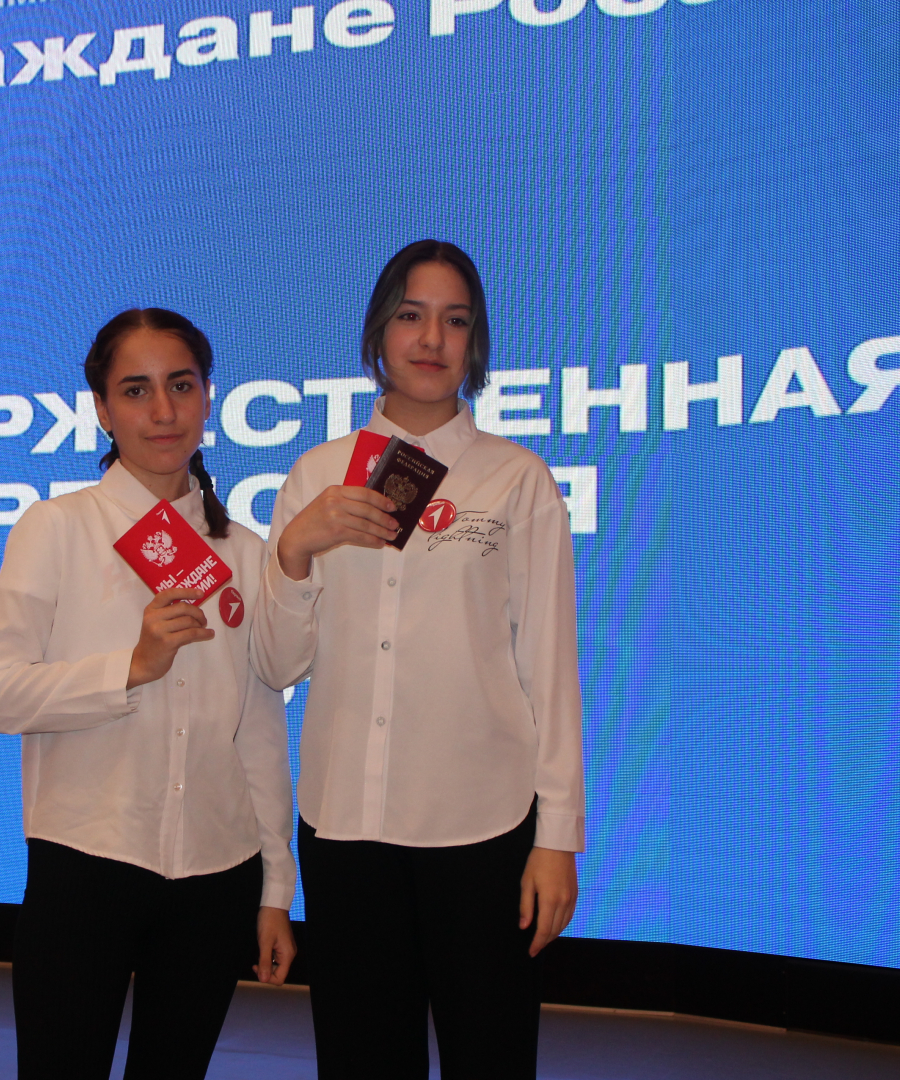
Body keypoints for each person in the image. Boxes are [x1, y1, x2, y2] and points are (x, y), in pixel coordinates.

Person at [252, 240, 586, 1079]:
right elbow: (279, 664)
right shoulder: (317, 475)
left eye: (455, 320)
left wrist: (557, 838)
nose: (432, 338)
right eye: (411, 315)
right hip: (346, 828)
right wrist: (294, 551)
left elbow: (549, 667)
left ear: (476, 342)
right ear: (378, 334)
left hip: (483, 827)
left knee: (490, 1057)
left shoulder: (517, 479)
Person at [0, 308, 297, 1080]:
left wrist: (275, 887)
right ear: (102, 409)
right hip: (87, 863)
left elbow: (258, 729)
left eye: (181, 385)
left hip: (218, 873)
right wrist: (131, 667)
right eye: (136, 390)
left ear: (209, 397)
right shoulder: (57, 528)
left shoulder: (245, 553)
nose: (163, 411)